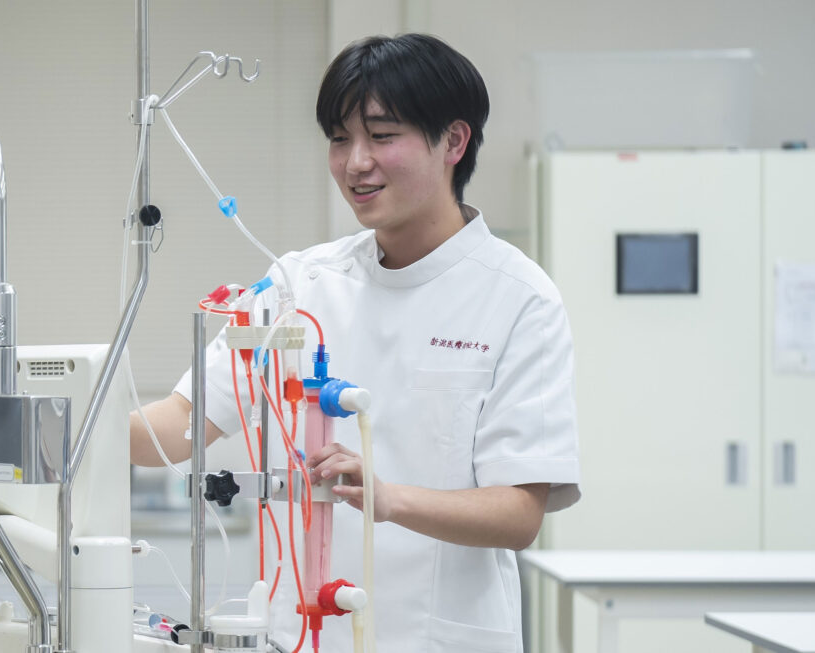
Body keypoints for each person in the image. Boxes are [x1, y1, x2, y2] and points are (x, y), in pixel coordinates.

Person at [131, 33, 580, 653]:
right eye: (340, 139)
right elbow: (177, 427)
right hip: (301, 636)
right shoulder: (299, 284)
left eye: (382, 136)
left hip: (435, 639)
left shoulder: (519, 298)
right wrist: (57, 423)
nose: (355, 163)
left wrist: (388, 498)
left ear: (454, 141)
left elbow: (518, 514)